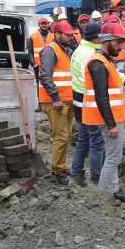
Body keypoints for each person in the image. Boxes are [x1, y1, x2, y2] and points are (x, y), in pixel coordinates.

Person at [82, 23, 125, 202]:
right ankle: (102, 195)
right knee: (113, 157)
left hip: (109, 117)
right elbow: (102, 97)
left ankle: (114, 189)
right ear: (107, 40)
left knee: (112, 156)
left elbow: (116, 85)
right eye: (119, 42)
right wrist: (111, 124)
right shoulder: (98, 63)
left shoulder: (106, 61)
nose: (121, 46)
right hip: (107, 119)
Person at [39, 21, 76, 184]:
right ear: (57, 34)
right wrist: (55, 98)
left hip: (66, 100)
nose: (70, 37)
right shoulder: (50, 50)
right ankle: (58, 170)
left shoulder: (66, 50)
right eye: (67, 34)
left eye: (70, 34)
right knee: (61, 136)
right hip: (56, 102)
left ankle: (60, 167)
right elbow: (45, 76)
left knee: (65, 136)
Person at [68, 21, 105, 186]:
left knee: (83, 140)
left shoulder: (79, 50)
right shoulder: (89, 54)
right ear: (96, 37)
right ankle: (97, 180)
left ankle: (75, 175)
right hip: (88, 103)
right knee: (97, 142)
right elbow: (93, 82)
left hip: (78, 101)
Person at [28, 17, 54, 112]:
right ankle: (40, 104)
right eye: (42, 23)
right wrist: (33, 63)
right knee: (40, 84)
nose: (44, 25)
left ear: (48, 24)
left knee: (50, 82)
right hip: (38, 65)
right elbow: (30, 51)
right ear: (39, 24)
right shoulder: (33, 36)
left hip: (51, 64)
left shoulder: (53, 36)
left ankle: (51, 101)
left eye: (46, 23)